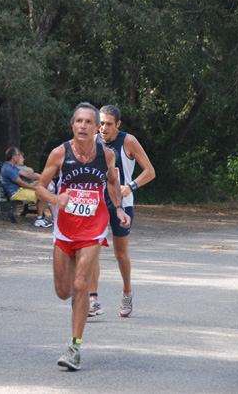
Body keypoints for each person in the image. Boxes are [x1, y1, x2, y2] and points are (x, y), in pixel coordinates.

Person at [35, 102, 131, 371]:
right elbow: (39, 188)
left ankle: (74, 348)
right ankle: (76, 304)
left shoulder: (106, 155)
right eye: (79, 121)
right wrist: (57, 199)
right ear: (72, 125)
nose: (83, 126)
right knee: (63, 290)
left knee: (80, 285)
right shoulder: (59, 153)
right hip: (65, 228)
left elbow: (112, 182)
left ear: (97, 127)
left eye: (89, 122)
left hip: (94, 226)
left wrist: (120, 210)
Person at [89, 105, 155, 318]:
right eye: (101, 123)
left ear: (118, 124)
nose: (103, 128)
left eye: (109, 124)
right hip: (97, 204)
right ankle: (93, 298)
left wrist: (131, 185)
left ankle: (127, 291)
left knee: (120, 254)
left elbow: (150, 171)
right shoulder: (92, 139)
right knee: (91, 250)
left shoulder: (128, 141)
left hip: (122, 204)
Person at [0, 147, 53, 227]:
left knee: (44, 192)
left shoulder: (12, 166)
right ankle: (39, 219)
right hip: (15, 193)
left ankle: (41, 218)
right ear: (13, 157)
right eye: (18, 155)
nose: (19, 157)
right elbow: (21, 183)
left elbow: (28, 174)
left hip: (19, 190)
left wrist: (41, 178)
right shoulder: (8, 168)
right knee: (42, 194)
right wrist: (35, 188)